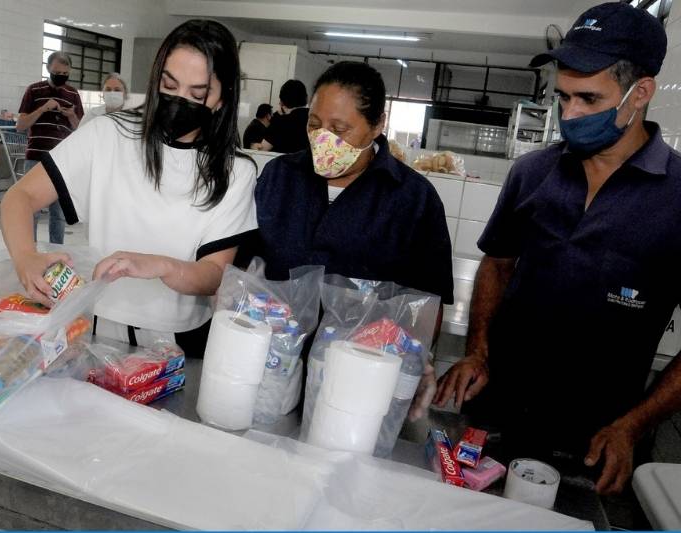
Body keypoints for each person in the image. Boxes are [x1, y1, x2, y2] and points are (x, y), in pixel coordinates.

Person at [434, 2, 681, 495]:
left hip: (595, 441)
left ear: (641, 93)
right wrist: (478, 352)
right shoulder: (533, 174)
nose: (569, 115)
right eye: (562, 97)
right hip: (495, 417)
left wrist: (632, 425)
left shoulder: (677, 197)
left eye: (588, 99)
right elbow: (498, 263)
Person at [1, 19, 257, 357]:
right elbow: (21, 196)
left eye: (198, 94)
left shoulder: (235, 171)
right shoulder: (108, 134)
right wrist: (25, 256)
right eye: (169, 85)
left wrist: (163, 266)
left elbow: (213, 274)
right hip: (98, 327)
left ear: (223, 100)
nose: (179, 100)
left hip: (178, 341)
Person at [241, 61, 454, 419]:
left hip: (355, 388)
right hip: (268, 374)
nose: (323, 139)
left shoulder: (413, 199)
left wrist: (417, 360)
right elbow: (246, 271)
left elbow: (427, 302)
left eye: (340, 130)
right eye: (314, 124)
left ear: (377, 126)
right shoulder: (279, 176)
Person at [15, 51, 84, 245]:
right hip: (36, 156)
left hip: (62, 160)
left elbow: (80, 129)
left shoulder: (72, 94)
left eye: (65, 73)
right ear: (48, 69)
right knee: (32, 209)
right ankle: (32, 251)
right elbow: (20, 125)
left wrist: (71, 115)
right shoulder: (34, 90)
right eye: (56, 72)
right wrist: (43, 108)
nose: (60, 76)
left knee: (59, 212)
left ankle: (56, 253)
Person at [258, 79, 309, 153]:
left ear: (282, 102)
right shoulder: (316, 120)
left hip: (286, 163)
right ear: (306, 98)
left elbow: (262, 149)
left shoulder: (279, 122)